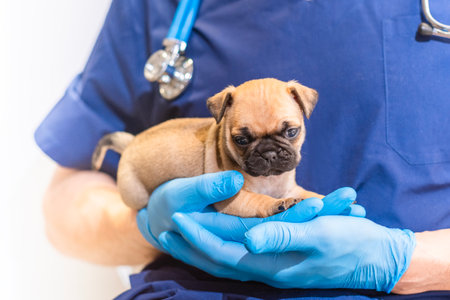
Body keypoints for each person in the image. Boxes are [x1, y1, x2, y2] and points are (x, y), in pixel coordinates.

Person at [35, 0, 450, 299]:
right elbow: (65, 201)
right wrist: (152, 227)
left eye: (287, 133)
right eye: (246, 138)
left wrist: (403, 261)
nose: (269, 153)